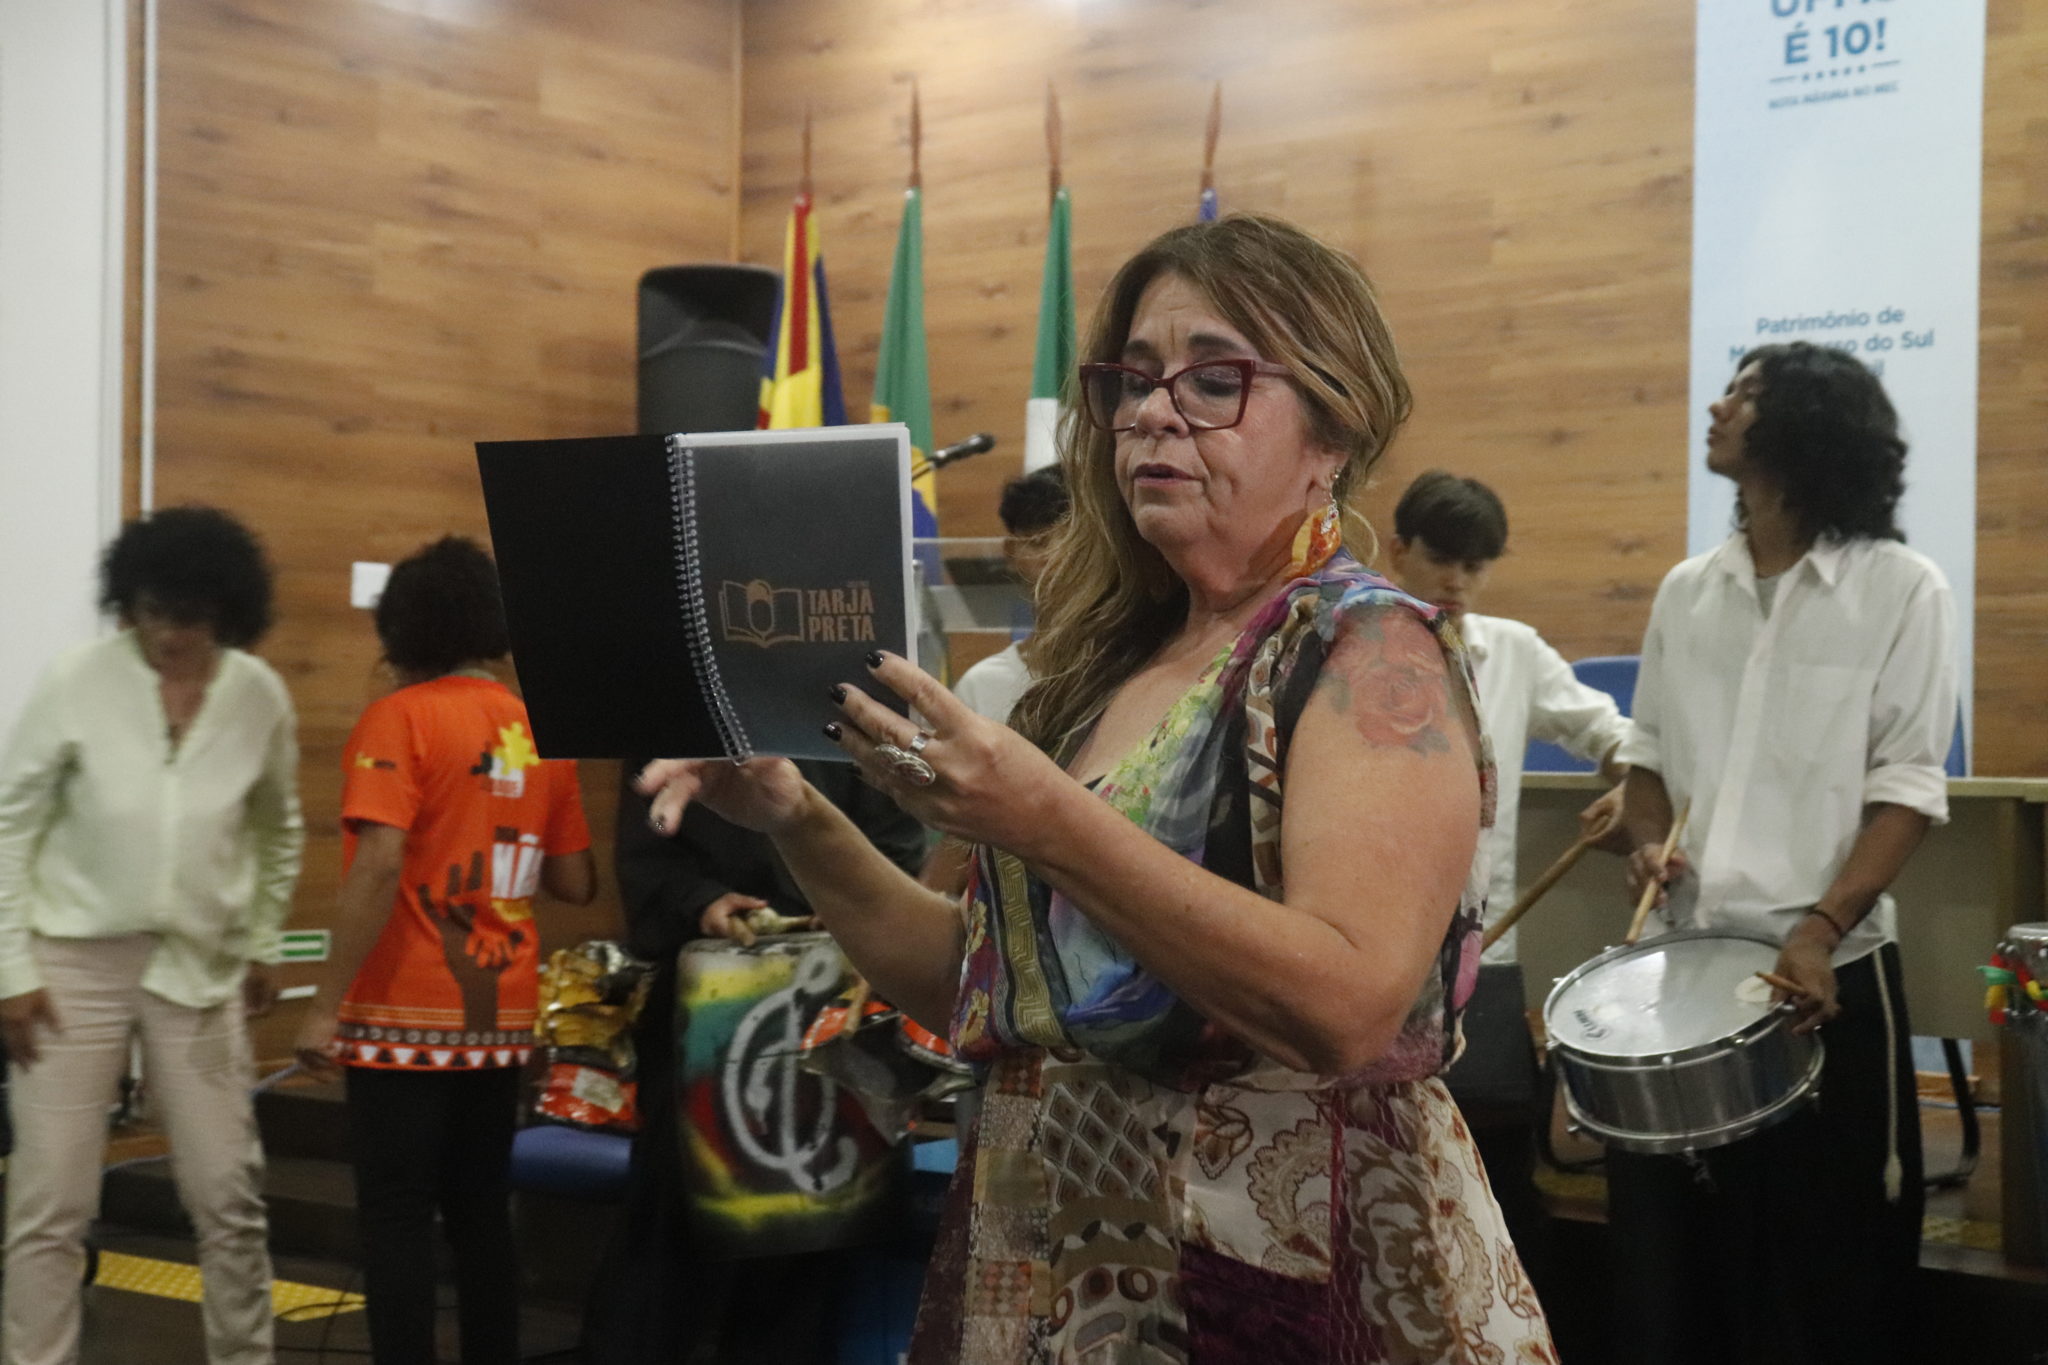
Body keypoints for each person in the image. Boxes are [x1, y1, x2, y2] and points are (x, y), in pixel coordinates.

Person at [641, 214, 1555, 1363]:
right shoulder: (1103, 669)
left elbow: (1344, 1006)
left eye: (1214, 379)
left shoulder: (1364, 648)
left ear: (1332, 429)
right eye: (1132, 379)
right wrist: (796, 815)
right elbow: (973, 985)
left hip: (1271, 1268)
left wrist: (1046, 820)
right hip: (1055, 1249)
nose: (1153, 413)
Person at [1610, 341, 1955, 1365]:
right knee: (1689, 1268)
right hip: (1687, 974)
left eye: (1747, 394)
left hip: (1825, 974)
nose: (1717, 407)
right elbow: (1646, 764)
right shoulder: (1687, 591)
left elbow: (1906, 791)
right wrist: (1645, 844)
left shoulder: (1902, 588)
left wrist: (1818, 928)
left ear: (1808, 425)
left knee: (1826, 1270)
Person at [0, 506, 302, 1365]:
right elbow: (10, 824)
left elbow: (278, 828)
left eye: (192, 616)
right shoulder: (77, 679)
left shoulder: (258, 695)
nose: (170, 633)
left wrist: (264, 939)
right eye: (152, 611)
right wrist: (10, 966)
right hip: (69, 965)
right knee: (50, 1204)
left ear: (229, 612)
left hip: (201, 964)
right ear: (128, 603)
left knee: (228, 1195)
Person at [293, 536, 595, 1365]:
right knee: (480, 1212)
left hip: (402, 1011)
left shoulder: (398, 718)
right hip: (499, 1015)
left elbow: (379, 863)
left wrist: (323, 1005)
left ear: (406, 629)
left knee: (396, 1214)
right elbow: (575, 881)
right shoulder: (542, 729)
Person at [582, 759, 924, 1365]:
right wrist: (701, 901)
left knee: (811, 1239)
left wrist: (854, 902)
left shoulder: (853, 708)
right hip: (708, 1006)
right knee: (669, 1234)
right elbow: (648, 846)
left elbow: (896, 843)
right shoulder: (681, 712)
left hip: (835, 1000)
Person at [1386, 468, 1630, 1290]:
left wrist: (1636, 783)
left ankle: (1509, 1323)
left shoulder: (1514, 650)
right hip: (1374, 948)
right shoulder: (1351, 645)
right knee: (1389, 1164)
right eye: (1442, 558)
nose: (1457, 580)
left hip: (1481, 955)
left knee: (1497, 1170)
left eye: (1476, 565)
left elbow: (1611, 732)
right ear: (1399, 550)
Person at [950, 464, 1070, 724]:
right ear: (1011, 553)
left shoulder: (1134, 677)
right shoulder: (980, 687)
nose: (1056, 558)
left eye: (1075, 542)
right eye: (1038, 542)